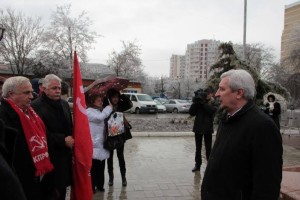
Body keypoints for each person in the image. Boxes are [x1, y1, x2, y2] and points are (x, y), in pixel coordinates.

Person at [201, 69, 283, 200]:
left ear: (239, 93)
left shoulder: (262, 126)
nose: (216, 94)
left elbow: (267, 185)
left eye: (222, 89)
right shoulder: (227, 118)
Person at [0, 76, 53, 200]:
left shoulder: (31, 113)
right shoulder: (3, 117)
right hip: (20, 182)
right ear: (11, 94)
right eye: (26, 93)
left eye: (31, 92)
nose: (31, 96)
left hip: (39, 179)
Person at [31, 74, 74, 200]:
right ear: (44, 89)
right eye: (54, 88)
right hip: (48, 158)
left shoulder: (64, 104)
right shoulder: (35, 106)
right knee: (50, 193)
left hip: (64, 157)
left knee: (62, 190)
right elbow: (37, 134)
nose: (58, 91)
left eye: (59, 88)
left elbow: (69, 127)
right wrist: (62, 140)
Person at [103, 88, 132, 187]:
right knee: (110, 158)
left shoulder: (120, 106)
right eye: (113, 97)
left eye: (117, 97)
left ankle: (123, 178)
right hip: (110, 136)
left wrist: (122, 95)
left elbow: (129, 104)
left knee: (121, 157)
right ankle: (111, 178)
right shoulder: (106, 107)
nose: (115, 99)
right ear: (110, 98)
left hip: (120, 136)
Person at [86, 93, 113, 193]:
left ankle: (100, 185)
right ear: (93, 102)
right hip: (93, 144)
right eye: (98, 100)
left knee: (101, 167)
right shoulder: (88, 111)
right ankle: (92, 186)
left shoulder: (99, 111)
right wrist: (108, 109)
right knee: (93, 168)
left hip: (101, 144)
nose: (101, 102)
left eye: (101, 100)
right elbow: (99, 118)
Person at [189, 87, 217, 172]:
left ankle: (209, 166)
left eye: (209, 94)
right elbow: (191, 112)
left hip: (207, 128)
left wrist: (203, 103)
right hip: (198, 127)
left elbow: (211, 111)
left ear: (212, 94)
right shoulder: (199, 101)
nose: (208, 95)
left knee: (208, 148)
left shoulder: (213, 102)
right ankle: (197, 165)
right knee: (198, 148)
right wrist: (195, 103)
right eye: (206, 93)